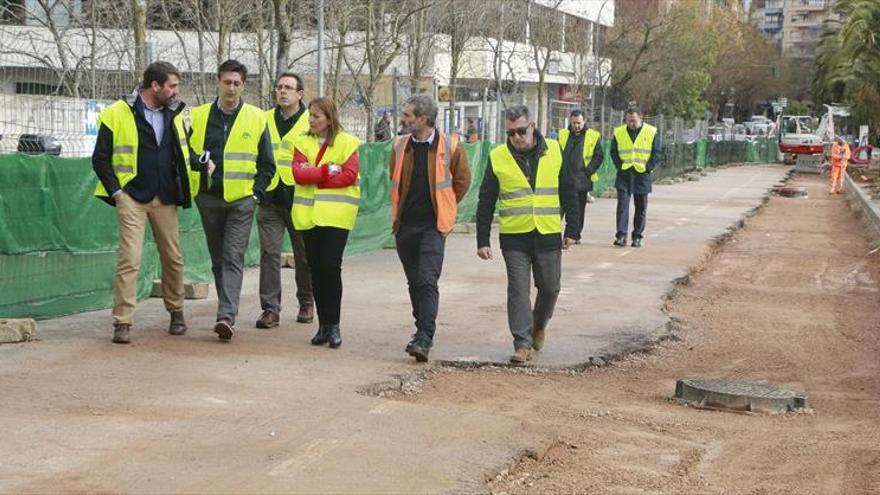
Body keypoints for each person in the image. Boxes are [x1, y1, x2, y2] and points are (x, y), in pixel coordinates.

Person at [92, 61, 193, 344]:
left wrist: (201, 164)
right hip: (132, 198)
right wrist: (117, 193)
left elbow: (186, 151)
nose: (176, 92)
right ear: (155, 86)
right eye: (172, 86)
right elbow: (100, 159)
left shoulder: (177, 113)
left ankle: (176, 311)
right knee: (130, 260)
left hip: (165, 197)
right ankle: (122, 322)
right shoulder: (117, 113)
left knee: (173, 259)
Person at [476, 105, 579, 364]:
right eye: (510, 133)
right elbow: (486, 199)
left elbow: (569, 189)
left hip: (547, 232)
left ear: (532, 127)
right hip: (514, 236)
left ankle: (539, 325)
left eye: (521, 131)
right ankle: (522, 343)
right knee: (518, 290)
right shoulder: (497, 156)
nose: (516, 137)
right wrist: (482, 239)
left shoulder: (555, 150)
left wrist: (573, 229)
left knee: (550, 287)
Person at [188, 59, 275, 341]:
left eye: (237, 83)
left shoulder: (256, 118)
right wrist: (200, 168)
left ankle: (226, 315)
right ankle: (226, 309)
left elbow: (267, 164)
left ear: (244, 86)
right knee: (217, 260)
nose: (231, 88)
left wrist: (255, 194)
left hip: (241, 201)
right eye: (227, 82)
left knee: (232, 256)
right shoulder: (198, 116)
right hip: (209, 199)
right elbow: (185, 154)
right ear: (217, 82)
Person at [389, 95, 471, 362]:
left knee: (427, 279)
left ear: (422, 119)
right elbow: (395, 180)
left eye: (407, 115)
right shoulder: (399, 146)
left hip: (433, 226)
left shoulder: (452, 145)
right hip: (406, 226)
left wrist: (445, 205)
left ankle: (424, 336)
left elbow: (462, 181)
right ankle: (420, 329)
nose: (402, 119)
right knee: (415, 282)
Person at [291, 97, 361, 349]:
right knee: (316, 270)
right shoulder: (301, 142)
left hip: (336, 216)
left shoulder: (348, 142)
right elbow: (298, 174)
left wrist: (316, 175)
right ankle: (322, 326)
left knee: (331, 267)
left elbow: (349, 175)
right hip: (308, 217)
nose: (311, 120)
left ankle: (334, 325)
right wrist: (327, 170)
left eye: (316, 116)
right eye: (310, 115)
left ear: (330, 119)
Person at [255, 73, 314, 329]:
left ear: (300, 94)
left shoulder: (312, 120)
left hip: (300, 196)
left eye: (288, 88)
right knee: (269, 253)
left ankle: (306, 301)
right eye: (279, 87)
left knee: (304, 255)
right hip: (270, 196)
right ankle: (270, 308)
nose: (282, 92)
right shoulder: (264, 119)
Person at [610, 108, 661, 248]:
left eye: (634, 120)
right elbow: (613, 151)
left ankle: (637, 236)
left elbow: (657, 153)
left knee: (641, 207)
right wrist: (619, 165)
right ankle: (621, 235)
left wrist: (648, 167)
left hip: (642, 174)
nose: (631, 123)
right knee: (622, 206)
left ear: (641, 118)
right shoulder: (619, 132)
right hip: (624, 174)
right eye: (629, 120)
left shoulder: (651, 132)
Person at [558, 109, 603, 243]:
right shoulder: (562, 135)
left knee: (578, 209)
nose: (576, 125)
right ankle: (555, 233)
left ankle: (575, 235)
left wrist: (588, 171)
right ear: (570, 121)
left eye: (579, 123)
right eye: (574, 123)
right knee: (559, 209)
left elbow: (599, 156)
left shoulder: (593, 136)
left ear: (584, 122)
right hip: (563, 178)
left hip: (581, 179)